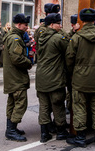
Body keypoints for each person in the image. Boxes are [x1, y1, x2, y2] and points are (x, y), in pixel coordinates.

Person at [66, 8, 95, 148]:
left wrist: (73, 71)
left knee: (79, 106)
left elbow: (69, 58)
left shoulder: (77, 37)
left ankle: (80, 138)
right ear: (94, 19)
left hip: (80, 77)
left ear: (82, 20)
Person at [36, 13, 70, 142]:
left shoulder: (41, 36)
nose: (60, 25)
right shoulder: (57, 38)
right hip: (54, 77)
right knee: (58, 104)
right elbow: (69, 49)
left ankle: (44, 133)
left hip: (41, 77)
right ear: (51, 24)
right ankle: (61, 131)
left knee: (44, 106)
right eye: (58, 23)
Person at [3, 13, 33, 142]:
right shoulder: (15, 38)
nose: (27, 27)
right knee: (20, 103)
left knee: (12, 103)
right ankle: (11, 130)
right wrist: (28, 63)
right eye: (25, 25)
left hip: (12, 77)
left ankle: (11, 128)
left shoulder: (13, 36)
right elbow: (17, 58)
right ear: (19, 25)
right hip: (16, 77)